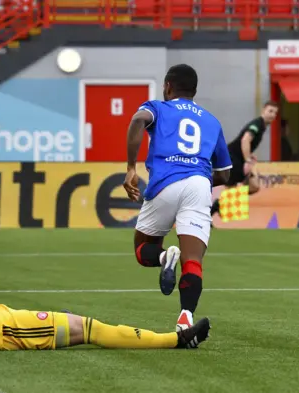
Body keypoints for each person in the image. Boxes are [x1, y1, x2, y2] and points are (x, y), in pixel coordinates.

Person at [0, 223, 211, 353]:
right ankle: (177, 339)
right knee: (87, 328)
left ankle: (177, 338)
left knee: (85, 327)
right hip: (9, 329)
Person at [123, 64, 232, 332]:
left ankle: (164, 258)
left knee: (142, 250)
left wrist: (130, 168)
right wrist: (201, 178)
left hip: (164, 183)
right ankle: (185, 319)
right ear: (194, 90)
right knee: (193, 261)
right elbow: (226, 174)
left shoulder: (158, 107)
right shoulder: (211, 120)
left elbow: (138, 120)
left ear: (168, 86)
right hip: (198, 184)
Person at [210, 101, 279, 219]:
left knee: (254, 186)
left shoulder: (261, 126)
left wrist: (249, 155)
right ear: (263, 111)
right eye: (270, 111)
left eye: (275, 113)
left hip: (239, 158)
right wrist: (247, 160)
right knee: (230, 189)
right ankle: (212, 212)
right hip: (233, 157)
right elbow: (245, 140)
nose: (272, 114)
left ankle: (219, 204)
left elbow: (246, 143)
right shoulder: (257, 124)